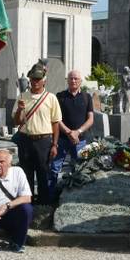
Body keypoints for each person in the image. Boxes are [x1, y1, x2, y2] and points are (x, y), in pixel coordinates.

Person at [12, 63, 61, 205]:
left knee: (43, 174)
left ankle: (44, 205)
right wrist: (20, 110)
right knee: (26, 174)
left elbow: (55, 123)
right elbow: (16, 122)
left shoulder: (51, 98)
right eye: (33, 78)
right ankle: (27, 205)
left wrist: (54, 144)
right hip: (25, 140)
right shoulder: (22, 97)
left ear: (44, 80)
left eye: (38, 79)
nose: (35, 82)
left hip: (44, 141)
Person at [49, 70, 93, 199]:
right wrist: (69, 132)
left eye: (76, 79)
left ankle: (75, 197)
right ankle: (50, 198)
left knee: (79, 169)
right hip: (62, 139)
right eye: (71, 78)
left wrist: (77, 132)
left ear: (80, 81)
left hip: (80, 140)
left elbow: (90, 119)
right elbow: (56, 119)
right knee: (54, 169)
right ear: (67, 80)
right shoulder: (60, 96)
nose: (73, 81)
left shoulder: (86, 97)